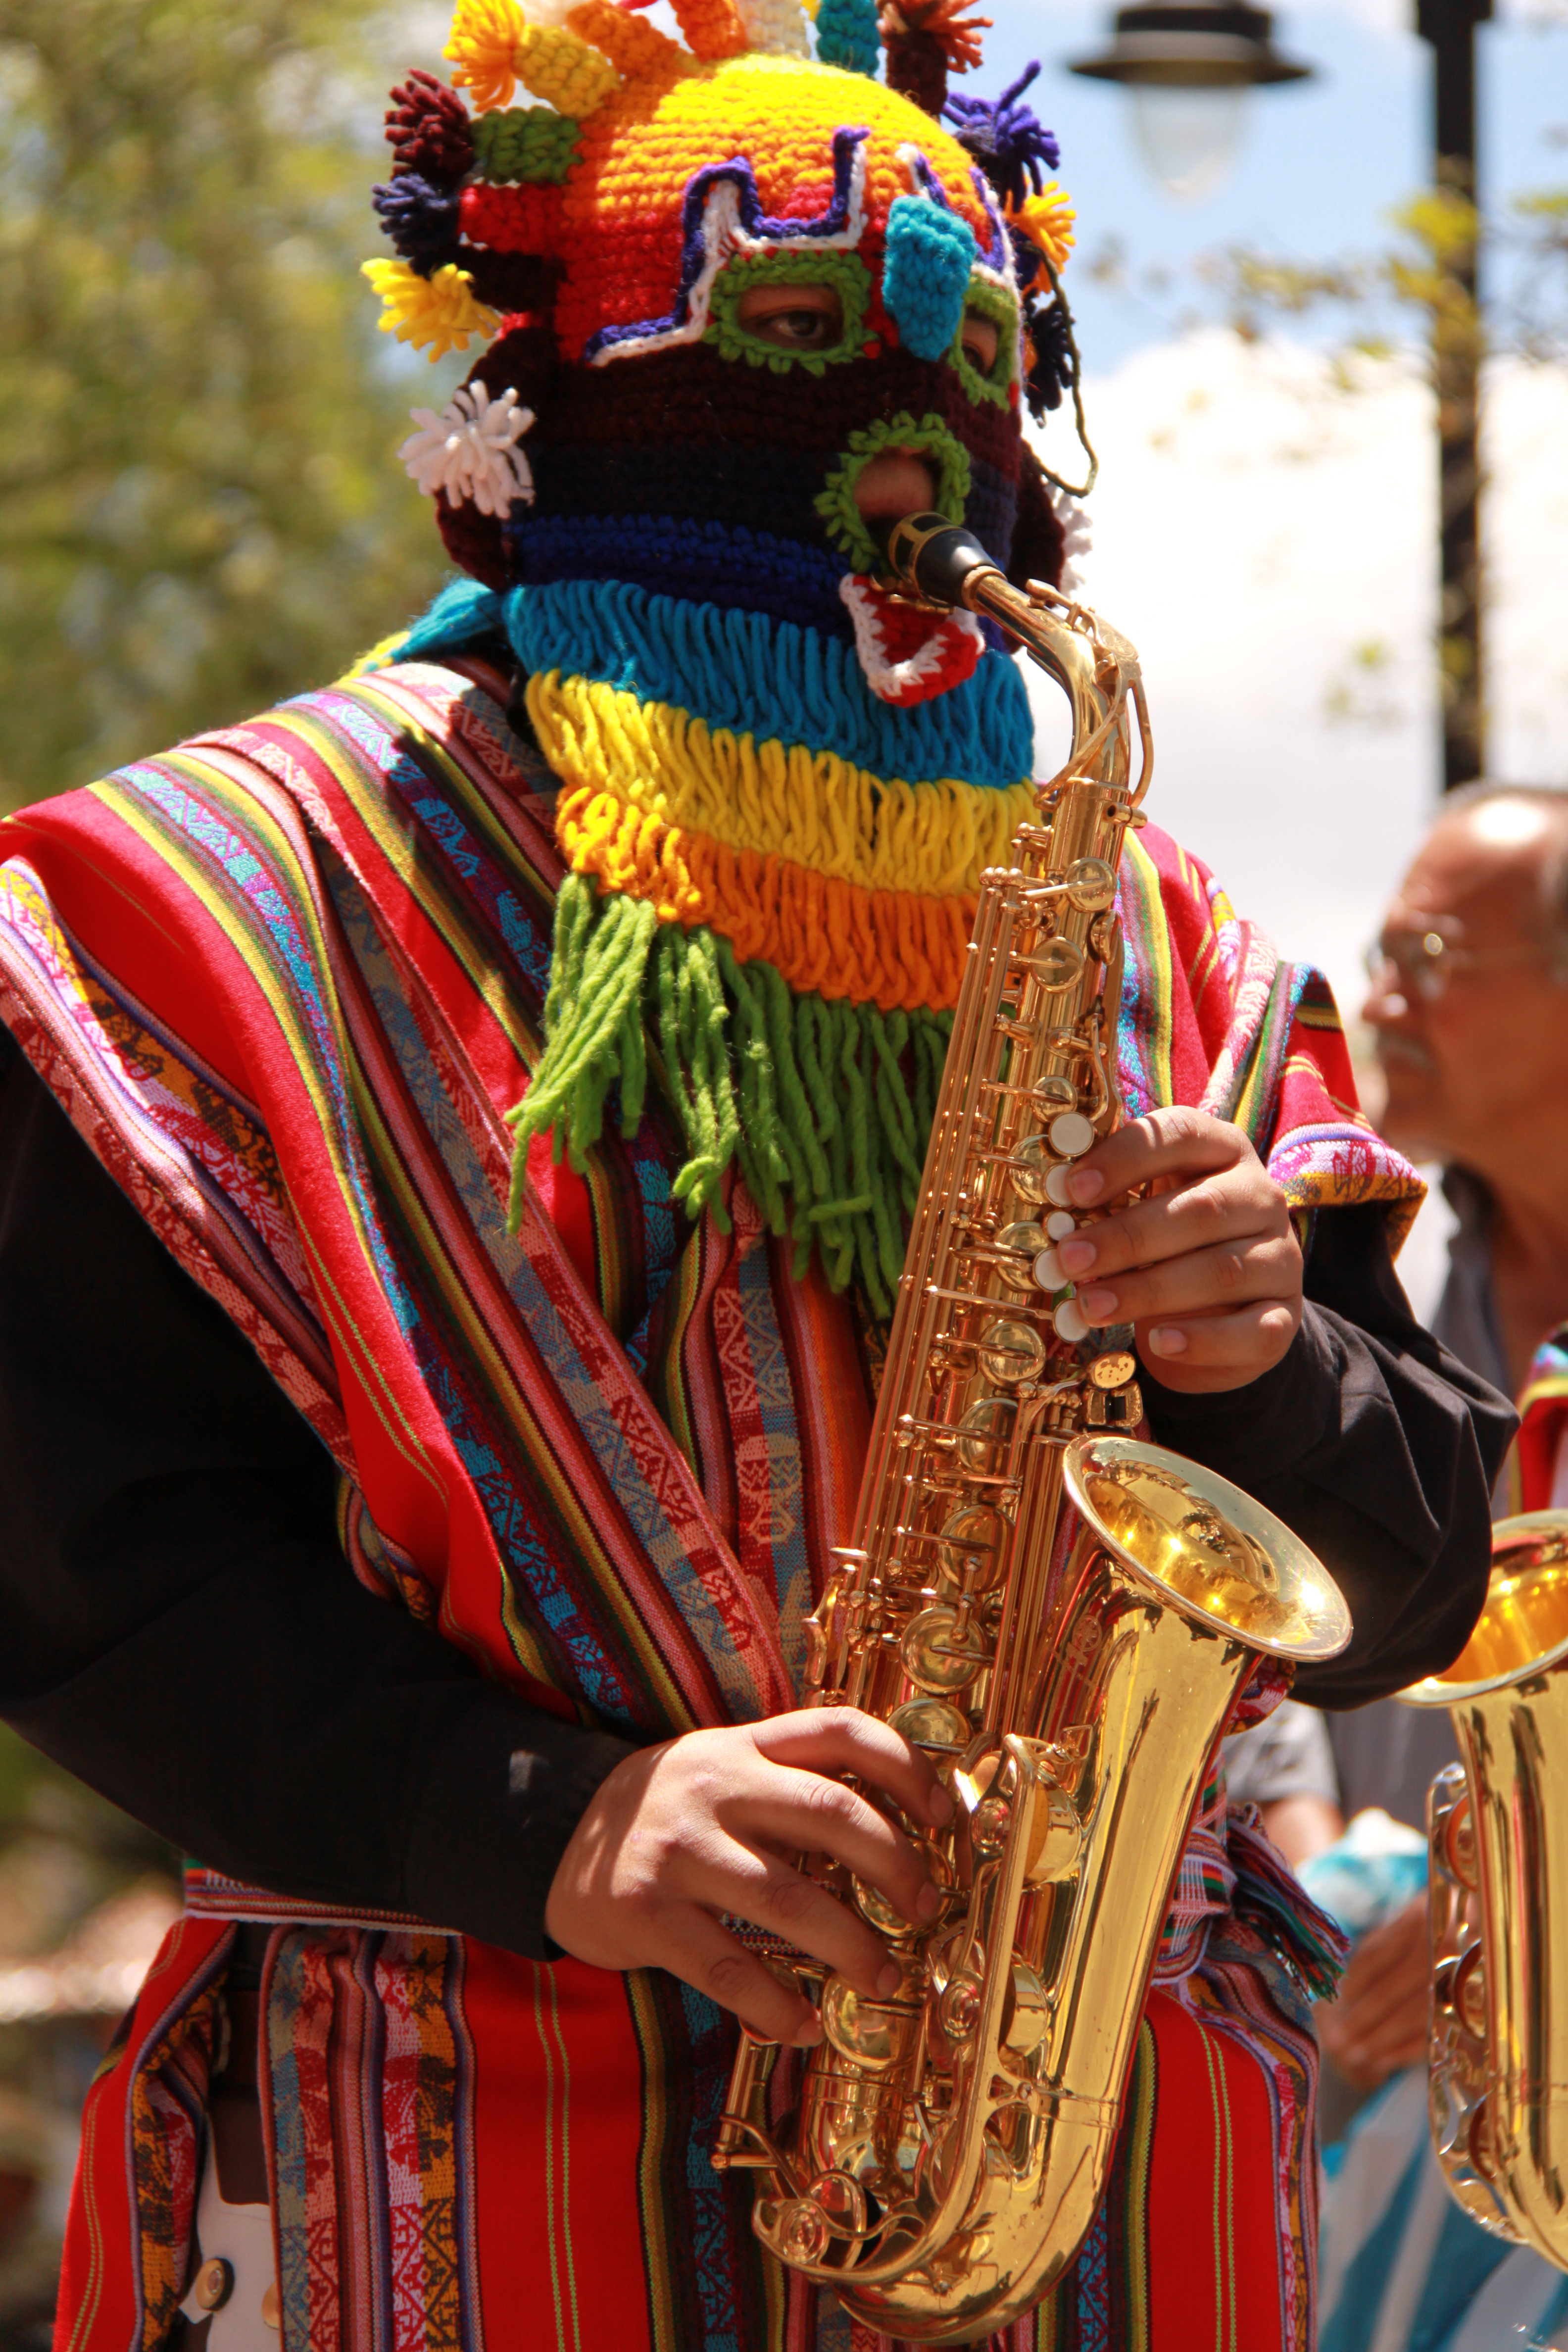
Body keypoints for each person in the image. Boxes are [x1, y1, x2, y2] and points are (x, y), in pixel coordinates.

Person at [0, 3, 1512, 2346]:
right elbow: (75, 1567)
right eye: (790, 335)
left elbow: (1405, 1575)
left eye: (978, 361)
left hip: (1105, 2188)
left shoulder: (1167, 931)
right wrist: (546, 1819)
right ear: (574, 383)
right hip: (456, 2165)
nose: (910, 464)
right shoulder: (214, 903)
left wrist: (1263, 1361)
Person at [1312, 783, 1568, 2350]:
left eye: (1429, 952)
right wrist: (1307, 1852)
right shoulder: (1382, 1308)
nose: (1379, 995)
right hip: (1409, 2093)